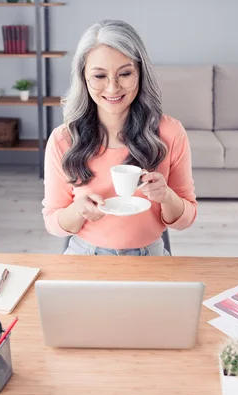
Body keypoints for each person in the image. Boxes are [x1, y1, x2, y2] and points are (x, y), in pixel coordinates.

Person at [41, 19, 197, 256]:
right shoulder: (63, 139)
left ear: (140, 73)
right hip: (84, 256)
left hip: (151, 256)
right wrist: (77, 210)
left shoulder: (170, 132)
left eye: (125, 74)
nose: (113, 88)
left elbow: (184, 221)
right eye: (100, 76)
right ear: (83, 78)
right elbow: (53, 223)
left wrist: (167, 196)